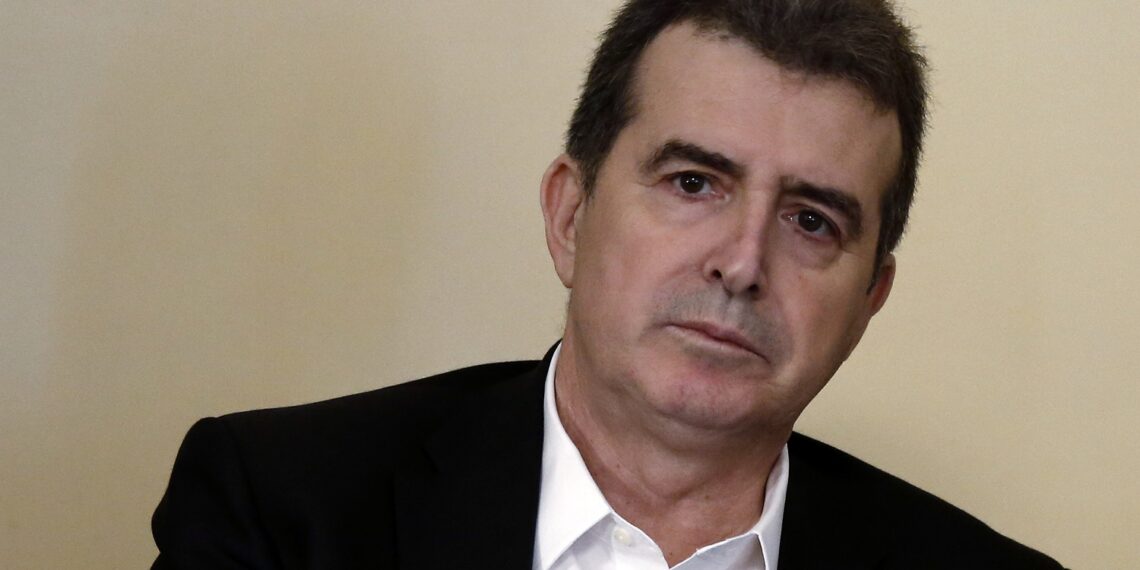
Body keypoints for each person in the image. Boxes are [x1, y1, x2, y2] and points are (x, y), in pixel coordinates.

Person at [152, 1, 1066, 568]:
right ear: (570, 215)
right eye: (693, 183)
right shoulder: (283, 511)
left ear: (870, 301)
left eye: (811, 221)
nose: (742, 264)